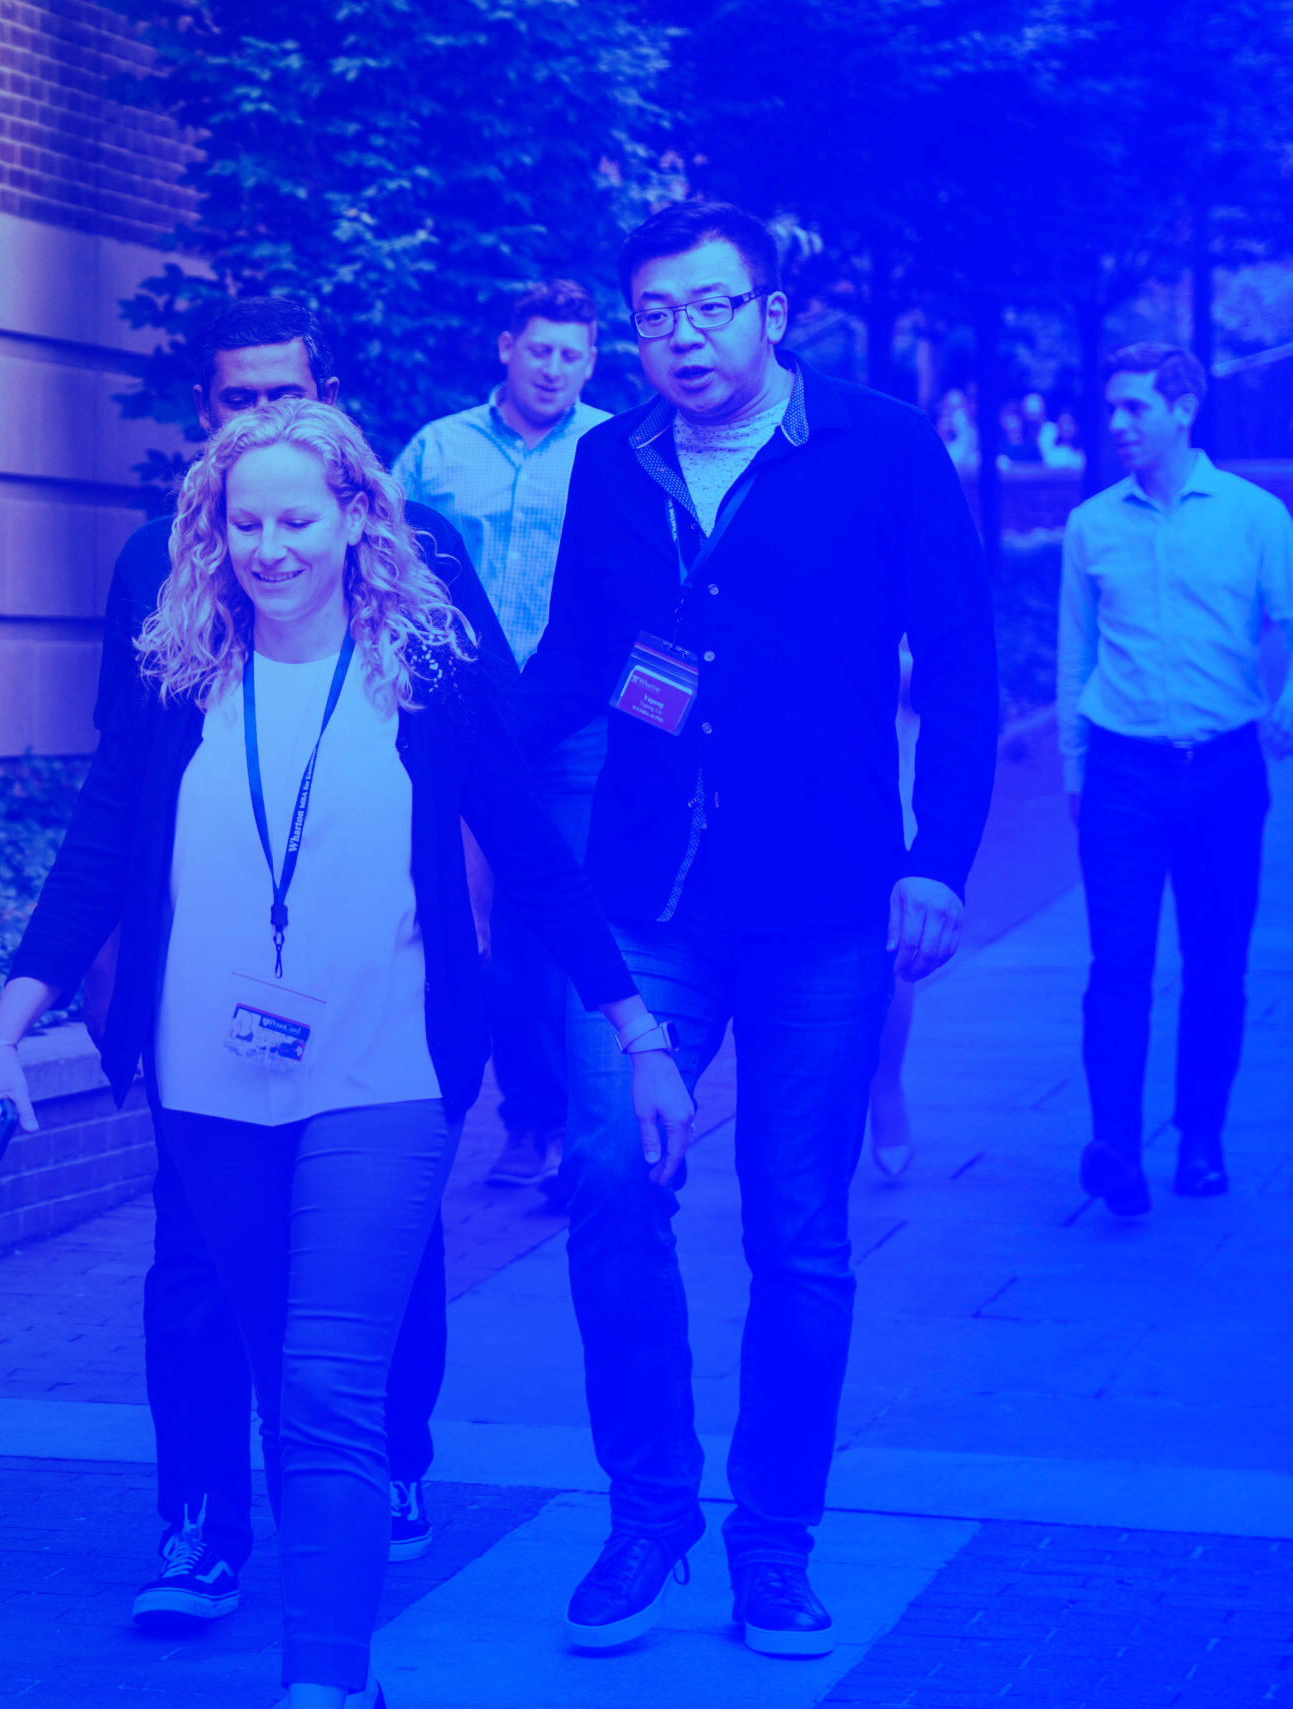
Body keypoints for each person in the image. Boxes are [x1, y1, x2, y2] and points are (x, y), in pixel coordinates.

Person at [0, 398, 695, 1708]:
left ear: (358, 518)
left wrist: (635, 1027)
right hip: (206, 1080)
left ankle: (327, 1681)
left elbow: (530, 856)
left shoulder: (427, 669)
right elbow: (94, 855)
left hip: (385, 1073)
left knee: (327, 1387)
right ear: (213, 530)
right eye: (245, 522)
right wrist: (2, 1035)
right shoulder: (176, 672)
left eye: (299, 518)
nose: (271, 547)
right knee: (272, 1368)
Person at [518, 202, 996, 1657]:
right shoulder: (612, 463)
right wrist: (432, 746)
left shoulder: (879, 446)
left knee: (798, 1232)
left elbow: (963, 666)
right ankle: (648, 1512)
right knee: (606, 1172)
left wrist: (939, 860)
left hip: (825, 909)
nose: (685, 337)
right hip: (650, 897)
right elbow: (582, 665)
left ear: (772, 311)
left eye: (713, 307)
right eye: (656, 315)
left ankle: (774, 1541)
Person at [84, 298, 518, 1631]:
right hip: (211, 1011)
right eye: (226, 398)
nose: (250, 414)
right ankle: (204, 1518)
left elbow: (485, 783)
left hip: (377, 1006)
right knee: (196, 1265)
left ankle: (386, 1462)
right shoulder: (154, 572)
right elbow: (121, 801)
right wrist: (97, 983)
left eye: (277, 388)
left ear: (323, 391)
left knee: (378, 1261)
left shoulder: (419, 554)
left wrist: (476, 950)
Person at [1058, 342, 1293, 1213]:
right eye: (1111, 408)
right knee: (1116, 965)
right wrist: (1075, 771)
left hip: (1226, 772)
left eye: (1135, 409)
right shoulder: (1092, 525)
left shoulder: (1255, 517)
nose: (1117, 424)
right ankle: (1115, 1146)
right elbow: (1072, 655)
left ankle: (1201, 1138)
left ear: (1182, 408)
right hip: (1122, 773)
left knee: (1216, 965)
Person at [394, 280, 615, 1188]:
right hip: (469, 727)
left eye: (572, 354)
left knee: (566, 915)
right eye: (540, 350)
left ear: (591, 361)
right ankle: (528, 1116)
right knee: (492, 936)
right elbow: (385, 562)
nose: (555, 367)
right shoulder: (436, 454)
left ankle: (571, 1130)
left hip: (575, 727)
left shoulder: (613, 451)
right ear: (506, 348)